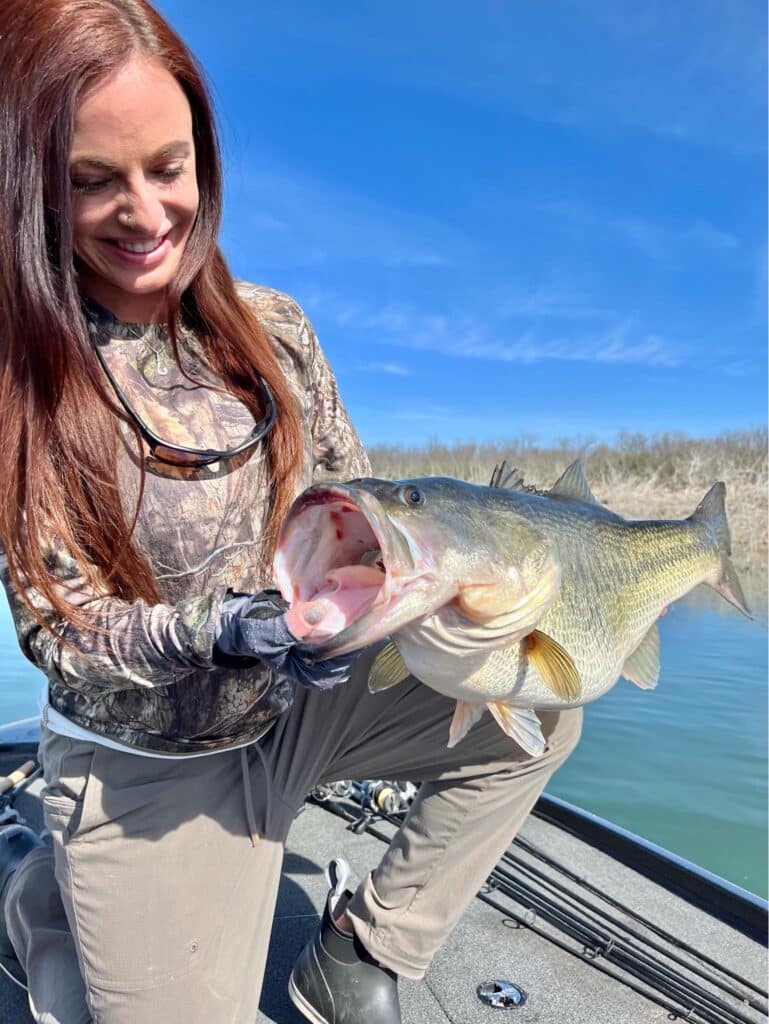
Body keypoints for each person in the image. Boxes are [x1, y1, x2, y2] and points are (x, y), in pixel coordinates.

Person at [0, 2, 583, 1022]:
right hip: (146, 765)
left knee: (536, 703)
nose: (145, 213)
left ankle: (361, 951)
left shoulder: (275, 325)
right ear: (35, 188)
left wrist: (411, 601)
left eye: (167, 167)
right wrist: (223, 629)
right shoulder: (24, 374)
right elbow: (61, 628)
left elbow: (355, 493)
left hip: (295, 710)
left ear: (204, 159)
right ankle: (39, 902)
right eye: (93, 180)